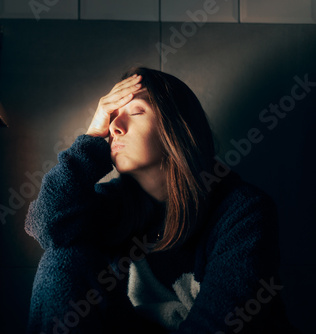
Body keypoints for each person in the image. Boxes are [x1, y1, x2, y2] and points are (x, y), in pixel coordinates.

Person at [25, 67, 294, 333]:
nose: (114, 128)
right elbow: (48, 227)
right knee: (63, 257)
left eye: (136, 112)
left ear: (176, 129)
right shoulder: (112, 205)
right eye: (111, 117)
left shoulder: (243, 212)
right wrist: (91, 140)